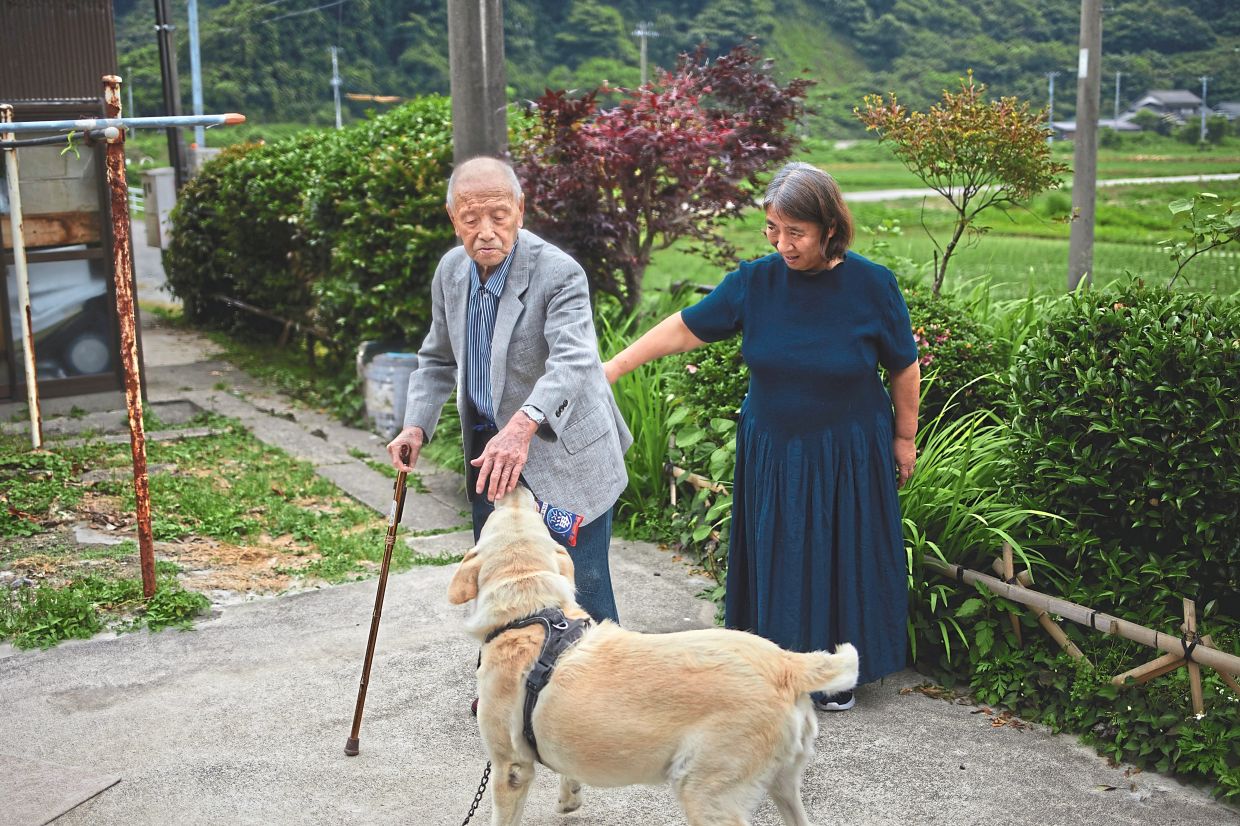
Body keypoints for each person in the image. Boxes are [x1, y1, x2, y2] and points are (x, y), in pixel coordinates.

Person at [603, 161, 920, 711]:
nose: (782, 244)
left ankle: (837, 672)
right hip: (774, 446)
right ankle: (775, 661)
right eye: (772, 229)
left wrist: (904, 437)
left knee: (844, 552)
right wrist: (610, 368)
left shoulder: (872, 285)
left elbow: (903, 366)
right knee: (783, 548)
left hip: (849, 448)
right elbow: (684, 327)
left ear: (829, 227)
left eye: (795, 232)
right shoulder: (756, 282)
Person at [387, 156, 632, 625]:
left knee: (583, 587)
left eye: (498, 215)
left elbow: (574, 362)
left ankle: (600, 690)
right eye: (470, 217)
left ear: (520, 209)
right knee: (501, 579)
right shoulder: (451, 272)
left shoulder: (558, 273)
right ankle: (511, 681)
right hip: (490, 455)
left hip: (563, 452)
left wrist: (521, 426)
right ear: (452, 218)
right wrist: (416, 425)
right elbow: (437, 357)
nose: (485, 231)